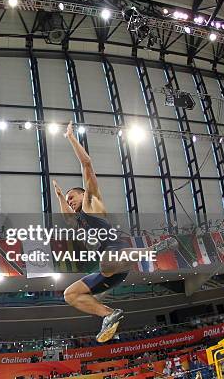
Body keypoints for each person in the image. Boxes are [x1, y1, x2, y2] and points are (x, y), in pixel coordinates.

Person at [54, 121, 176, 342]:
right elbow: (67, 218)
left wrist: (71, 138)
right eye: (69, 199)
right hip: (110, 268)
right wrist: (61, 197)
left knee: (105, 262)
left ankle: (153, 249)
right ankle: (109, 315)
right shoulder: (79, 220)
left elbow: (87, 164)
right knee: (70, 294)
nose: (71, 202)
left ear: (84, 195)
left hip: (118, 253)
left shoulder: (92, 202)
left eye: (73, 197)